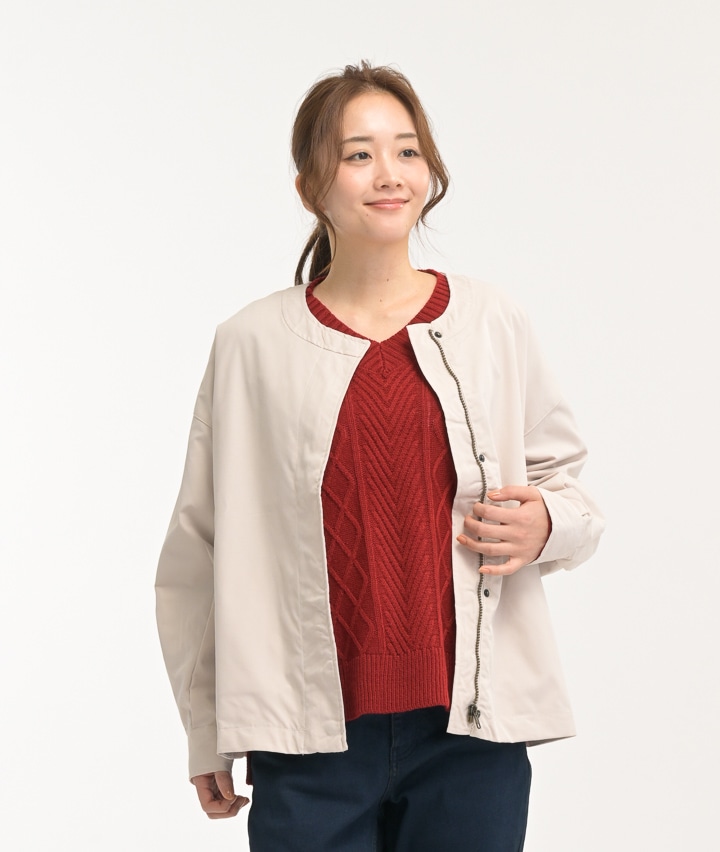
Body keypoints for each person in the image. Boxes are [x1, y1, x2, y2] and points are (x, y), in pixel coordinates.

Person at [155, 61, 604, 852]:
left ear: (430, 171)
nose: (388, 174)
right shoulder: (251, 344)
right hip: (307, 740)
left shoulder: (491, 320)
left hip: (472, 734)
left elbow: (566, 489)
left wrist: (547, 525)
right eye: (358, 154)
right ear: (310, 187)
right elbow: (198, 551)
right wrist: (204, 729)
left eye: (407, 151)